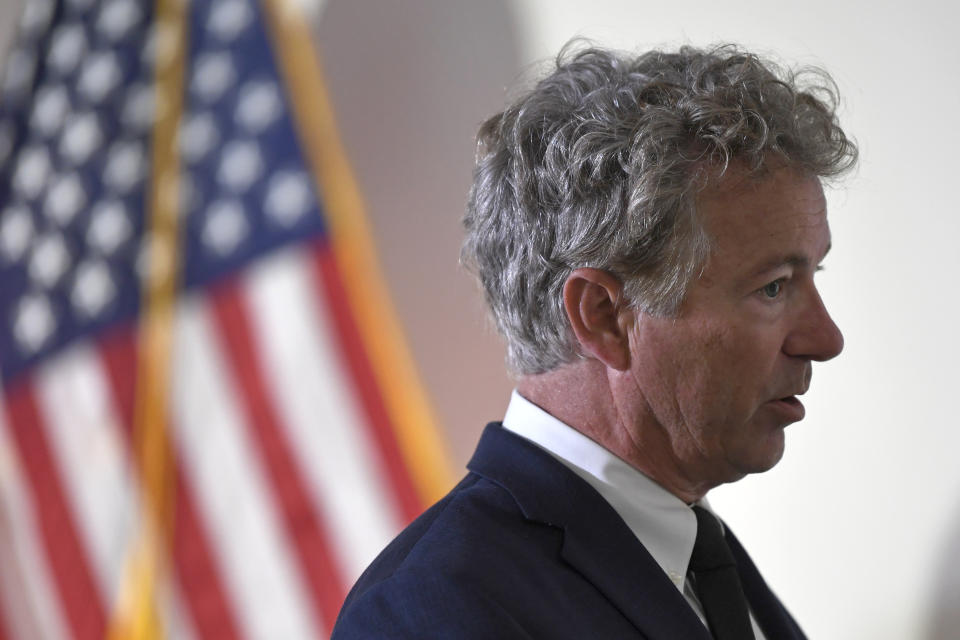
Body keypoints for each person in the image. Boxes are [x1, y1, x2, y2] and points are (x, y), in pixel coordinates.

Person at [332, 42, 857, 639]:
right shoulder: (432, 610)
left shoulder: (700, 558)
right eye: (773, 287)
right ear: (604, 316)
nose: (825, 338)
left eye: (814, 276)